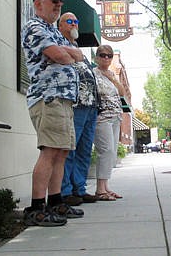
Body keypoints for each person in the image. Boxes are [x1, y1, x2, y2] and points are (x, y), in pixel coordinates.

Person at [21, 0, 84, 226]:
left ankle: (56, 201)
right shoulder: (34, 27)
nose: (58, 5)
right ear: (39, 4)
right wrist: (68, 54)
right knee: (49, 150)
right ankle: (36, 208)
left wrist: (69, 52)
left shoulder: (53, 31)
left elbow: (76, 54)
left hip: (64, 99)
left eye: (60, 1)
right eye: (53, 0)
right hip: (49, 97)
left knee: (61, 151)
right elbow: (60, 55)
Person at [59, 12, 99, 206]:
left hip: (91, 105)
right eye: (69, 21)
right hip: (75, 104)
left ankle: (80, 189)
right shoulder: (57, 41)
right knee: (70, 149)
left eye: (76, 21)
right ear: (60, 25)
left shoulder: (76, 47)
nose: (74, 24)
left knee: (84, 150)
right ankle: (65, 191)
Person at [93, 45, 125, 201]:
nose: (106, 58)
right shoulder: (93, 74)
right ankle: (99, 190)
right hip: (102, 117)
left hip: (115, 116)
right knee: (105, 150)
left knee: (111, 152)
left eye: (109, 55)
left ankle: (105, 186)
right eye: (102, 55)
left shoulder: (112, 74)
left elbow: (122, 92)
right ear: (97, 57)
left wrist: (112, 78)